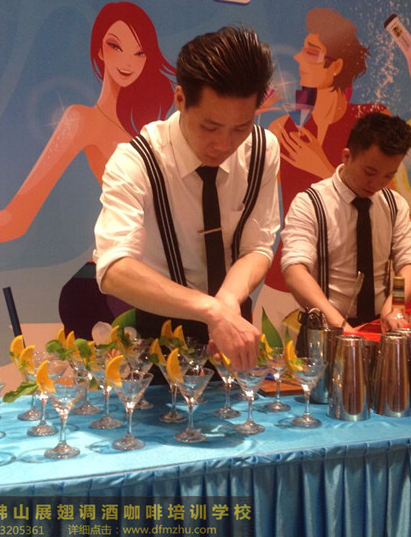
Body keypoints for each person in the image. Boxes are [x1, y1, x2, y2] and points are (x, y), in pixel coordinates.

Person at [0, 2, 175, 338]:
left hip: (153, 282)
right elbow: (14, 218)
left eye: (139, 53)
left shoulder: (150, 132)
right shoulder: (82, 121)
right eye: (116, 46)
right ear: (100, 50)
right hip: (106, 288)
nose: (128, 62)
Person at [93, 26, 279, 370]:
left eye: (240, 128)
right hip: (159, 342)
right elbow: (114, 268)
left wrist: (227, 301)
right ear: (180, 99)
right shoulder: (136, 161)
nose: (224, 144)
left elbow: (258, 247)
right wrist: (211, 310)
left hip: (236, 331)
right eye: (210, 127)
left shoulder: (262, 151)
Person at [265, 7, 390, 291]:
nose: (298, 58)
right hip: (286, 280)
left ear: (335, 66)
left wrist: (322, 167)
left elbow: (388, 204)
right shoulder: (282, 130)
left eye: (311, 52)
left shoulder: (373, 120)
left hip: (350, 280)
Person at [281, 112, 411, 332]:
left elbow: (410, 263)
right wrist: (340, 325)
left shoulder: (395, 205)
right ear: (347, 156)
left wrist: (393, 306)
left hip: (379, 326)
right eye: (370, 172)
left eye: (388, 175)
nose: (377, 183)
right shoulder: (310, 203)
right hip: (325, 329)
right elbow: (295, 270)